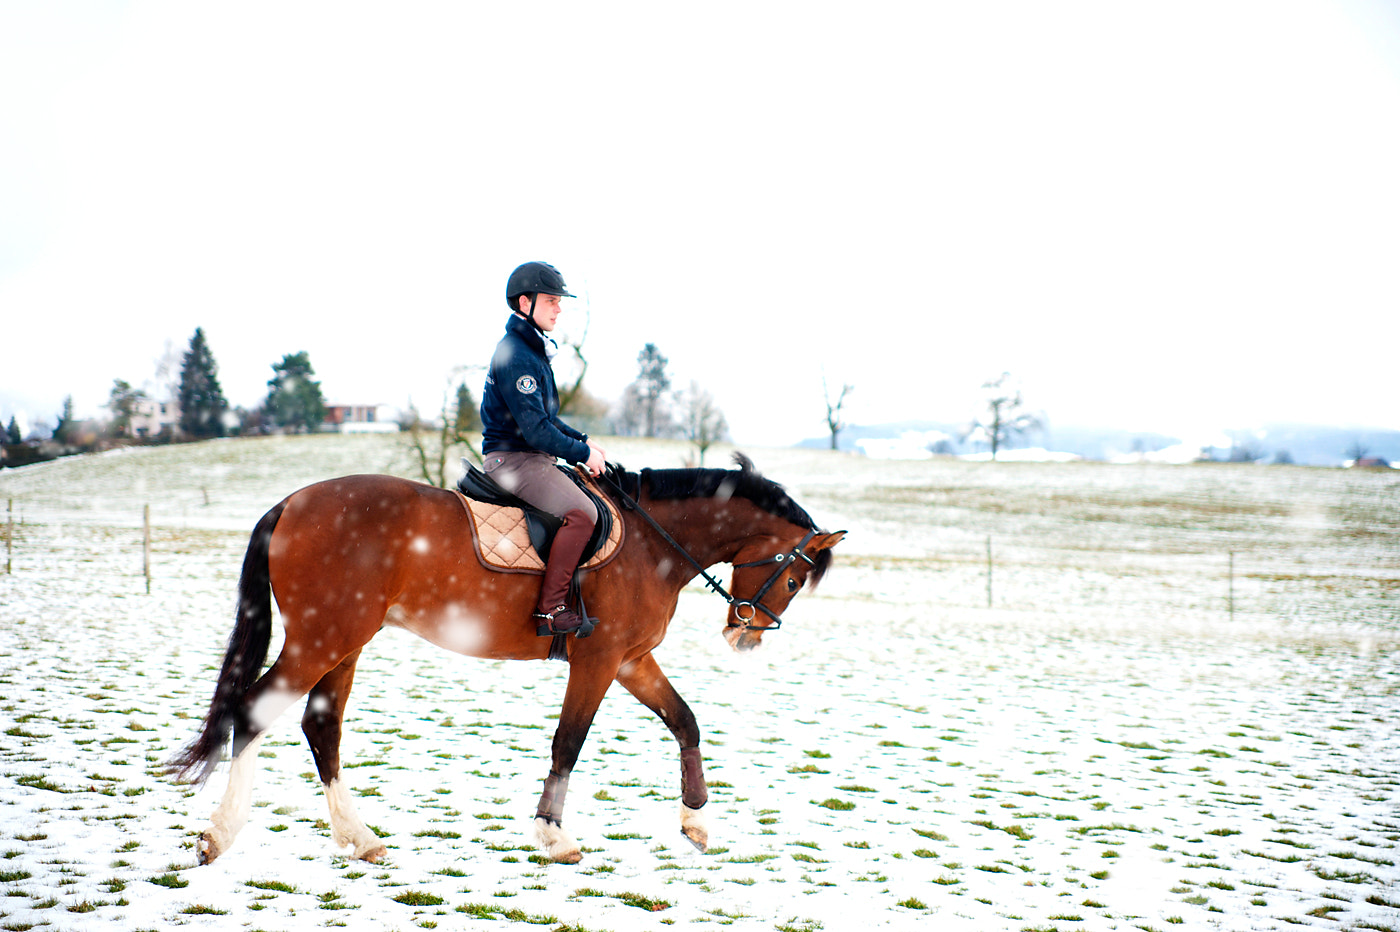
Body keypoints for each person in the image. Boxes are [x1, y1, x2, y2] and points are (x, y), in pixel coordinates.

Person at [480, 261, 608, 636]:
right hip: (514, 460)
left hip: (529, 457)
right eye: (551, 300)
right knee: (584, 513)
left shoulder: (531, 350)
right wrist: (582, 455)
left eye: (558, 301)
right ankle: (550, 610)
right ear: (525, 303)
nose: (559, 308)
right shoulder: (518, 355)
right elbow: (536, 432)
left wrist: (583, 442)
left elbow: (546, 419)